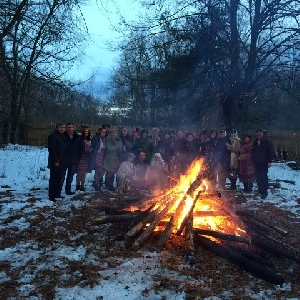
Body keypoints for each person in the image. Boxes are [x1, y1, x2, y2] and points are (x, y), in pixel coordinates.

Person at [252, 129, 276, 199]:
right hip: (256, 163)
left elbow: (271, 152)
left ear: (262, 133)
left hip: (264, 162)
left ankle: (264, 193)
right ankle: (260, 190)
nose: (258, 134)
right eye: (257, 133)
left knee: (263, 177)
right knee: (257, 177)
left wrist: (269, 161)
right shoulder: (255, 142)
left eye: (260, 133)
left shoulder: (267, 141)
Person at [47, 123, 67, 201]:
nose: (62, 129)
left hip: (62, 161)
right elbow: (52, 149)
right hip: (55, 161)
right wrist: (56, 160)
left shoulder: (63, 136)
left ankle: (57, 194)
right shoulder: (53, 136)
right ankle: (51, 196)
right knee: (53, 178)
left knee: (59, 178)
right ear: (57, 128)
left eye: (63, 127)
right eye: (60, 127)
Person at [63, 123, 81, 195]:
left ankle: (68, 190)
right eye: (68, 127)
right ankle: (58, 191)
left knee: (70, 176)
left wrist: (78, 157)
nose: (70, 129)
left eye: (71, 127)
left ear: (74, 128)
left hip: (73, 160)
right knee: (61, 176)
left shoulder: (77, 137)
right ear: (66, 128)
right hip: (64, 160)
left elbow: (81, 148)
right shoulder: (63, 136)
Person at [75, 126, 91, 192]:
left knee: (84, 173)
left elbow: (91, 147)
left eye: (87, 131)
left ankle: (82, 186)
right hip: (80, 157)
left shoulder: (89, 139)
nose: (86, 132)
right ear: (83, 132)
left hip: (86, 157)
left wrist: (90, 149)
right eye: (85, 131)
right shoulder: (79, 138)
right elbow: (77, 147)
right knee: (79, 172)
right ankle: (77, 186)